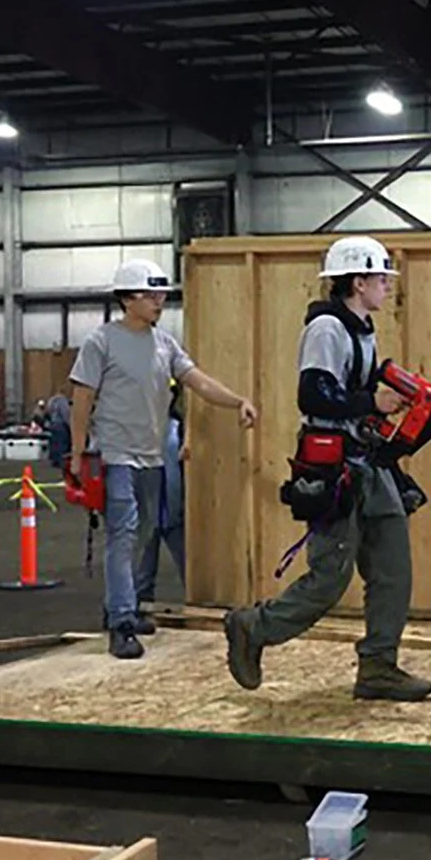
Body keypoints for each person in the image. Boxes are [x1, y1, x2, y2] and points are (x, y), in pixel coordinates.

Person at [222, 237, 431, 701]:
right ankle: (253, 627)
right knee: (330, 577)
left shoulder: (363, 329)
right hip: (333, 466)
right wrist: (371, 400)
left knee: (392, 568)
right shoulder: (326, 329)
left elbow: (356, 392)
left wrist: (392, 400)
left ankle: (379, 666)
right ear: (357, 282)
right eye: (380, 279)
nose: (386, 287)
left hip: (367, 461)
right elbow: (313, 394)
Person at [69, 258, 256, 660]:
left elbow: (197, 380)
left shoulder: (164, 344)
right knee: (123, 533)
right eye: (151, 295)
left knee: (147, 530)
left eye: (161, 295)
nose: (159, 301)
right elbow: (82, 398)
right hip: (116, 454)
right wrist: (78, 451)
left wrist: (236, 400)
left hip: (151, 455)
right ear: (127, 298)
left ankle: (127, 604)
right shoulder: (100, 342)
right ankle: (120, 621)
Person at [135, 383, 187, 606]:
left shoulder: (180, 428)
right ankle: (135, 611)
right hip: (147, 511)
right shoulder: (139, 428)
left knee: (190, 569)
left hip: (175, 510)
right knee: (142, 573)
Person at [44, 390, 72, 470]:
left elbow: (47, 412)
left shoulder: (52, 401)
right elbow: (65, 414)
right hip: (61, 425)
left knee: (54, 442)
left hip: (53, 424)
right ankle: (61, 461)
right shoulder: (62, 401)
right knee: (62, 443)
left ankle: (54, 460)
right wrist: (69, 425)